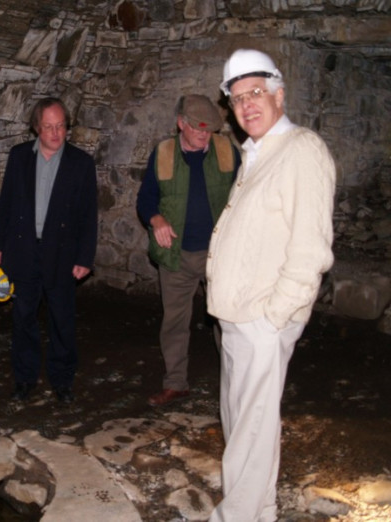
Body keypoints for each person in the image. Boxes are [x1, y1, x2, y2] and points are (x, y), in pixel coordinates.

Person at [206, 49, 336, 522]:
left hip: (262, 318)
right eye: (237, 98)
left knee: (250, 434)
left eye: (256, 92)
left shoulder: (302, 150)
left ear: (280, 95)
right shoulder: (256, 153)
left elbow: (311, 249)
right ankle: (258, 513)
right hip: (237, 316)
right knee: (245, 428)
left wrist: (274, 317)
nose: (246, 105)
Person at [0, 97, 97, 404]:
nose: (55, 133)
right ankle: (25, 378)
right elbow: (6, 202)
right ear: (36, 127)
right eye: (48, 127)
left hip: (62, 253)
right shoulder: (19, 156)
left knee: (62, 319)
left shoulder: (81, 163)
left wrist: (85, 257)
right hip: (22, 249)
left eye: (60, 126)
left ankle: (62, 379)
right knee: (23, 318)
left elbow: (89, 215)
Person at [136, 94, 240, 407]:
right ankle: (176, 383)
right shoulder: (163, 154)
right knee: (175, 323)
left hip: (219, 254)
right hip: (176, 255)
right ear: (181, 123)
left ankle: (237, 386)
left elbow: (246, 197)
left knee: (228, 322)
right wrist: (156, 220)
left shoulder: (227, 152)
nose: (204, 135)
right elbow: (146, 200)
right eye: (197, 128)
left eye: (209, 130)